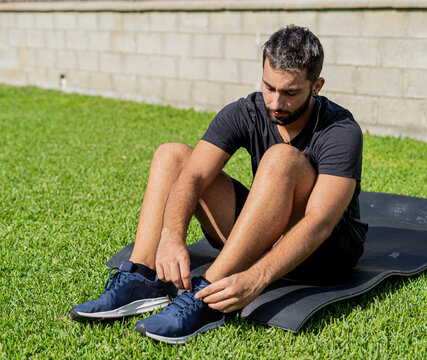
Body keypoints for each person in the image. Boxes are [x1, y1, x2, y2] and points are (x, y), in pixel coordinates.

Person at [70, 25, 368, 344]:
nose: (276, 101)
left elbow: (319, 223)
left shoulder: (341, 130)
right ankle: (143, 278)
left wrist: (256, 277)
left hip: (324, 253)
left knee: (282, 158)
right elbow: (192, 176)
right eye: (269, 87)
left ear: (316, 86)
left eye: (290, 92)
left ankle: (207, 297)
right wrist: (171, 238)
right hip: (266, 235)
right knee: (172, 155)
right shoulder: (247, 111)